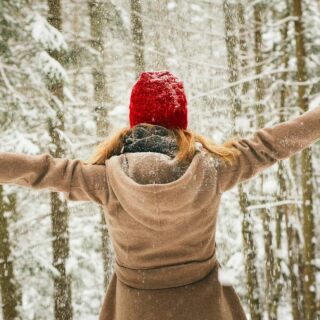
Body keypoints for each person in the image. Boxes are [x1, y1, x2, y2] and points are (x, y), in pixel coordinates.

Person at [0, 71, 319, 320]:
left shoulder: (106, 179)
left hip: (135, 310)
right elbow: (270, 144)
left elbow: (40, 170)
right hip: (205, 309)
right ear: (181, 121)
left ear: (134, 120)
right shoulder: (213, 170)